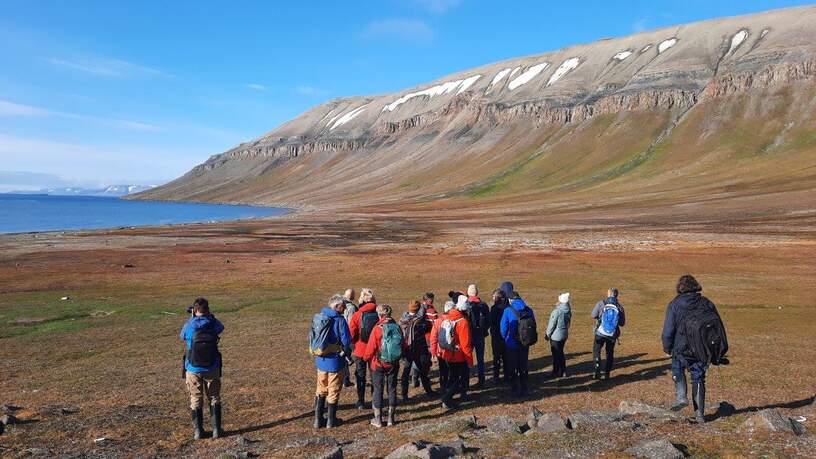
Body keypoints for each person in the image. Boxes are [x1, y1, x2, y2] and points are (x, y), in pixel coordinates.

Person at [662, 275, 722, 424]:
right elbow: (717, 326)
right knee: (699, 377)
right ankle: (700, 414)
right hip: (702, 348)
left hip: (680, 347)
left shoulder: (675, 304)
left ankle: (682, 397)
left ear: (680, 287)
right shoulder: (706, 303)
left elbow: (668, 329)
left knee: (677, 369)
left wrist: (667, 347)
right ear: (696, 286)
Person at [180, 298, 225, 440]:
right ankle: (216, 430)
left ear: (194, 310)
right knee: (214, 397)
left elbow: (182, 336)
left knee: (196, 398)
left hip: (193, 367)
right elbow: (221, 327)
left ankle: (198, 431)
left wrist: (192, 318)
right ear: (207, 310)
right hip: (212, 366)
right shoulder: (213, 323)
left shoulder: (189, 325)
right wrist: (210, 317)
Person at [311, 294, 352, 429]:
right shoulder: (340, 320)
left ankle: (318, 420)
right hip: (335, 361)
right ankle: (331, 420)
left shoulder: (320, 317)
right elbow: (346, 341)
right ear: (337, 306)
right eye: (343, 305)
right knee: (333, 389)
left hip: (321, 359)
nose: (345, 307)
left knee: (321, 388)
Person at [363, 304, 403, 427]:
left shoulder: (377, 329)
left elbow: (370, 348)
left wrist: (365, 359)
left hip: (378, 363)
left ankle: (378, 419)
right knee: (392, 388)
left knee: (378, 390)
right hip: (394, 363)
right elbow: (403, 344)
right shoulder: (397, 327)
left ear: (380, 315)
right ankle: (391, 418)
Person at [433, 296, 473, 409]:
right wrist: (470, 360)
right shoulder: (463, 322)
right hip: (459, 355)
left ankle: (447, 399)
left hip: (447, 353)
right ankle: (447, 398)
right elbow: (465, 345)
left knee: (452, 377)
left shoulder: (447, 317)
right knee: (461, 377)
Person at [501, 292, 536, 397]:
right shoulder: (529, 310)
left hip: (511, 344)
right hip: (525, 342)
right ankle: (524, 388)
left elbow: (503, 328)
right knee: (523, 366)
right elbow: (534, 325)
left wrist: (506, 339)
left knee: (512, 366)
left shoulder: (508, 310)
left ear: (510, 300)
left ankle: (514, 389)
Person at [399, 300, 435, 400]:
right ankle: (428, 391)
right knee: (423, 372)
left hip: (407, 349)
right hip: (419, 349)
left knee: (406, 372)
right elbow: (428, 328)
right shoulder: (420, 321)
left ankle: (404, 394)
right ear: (418, 309)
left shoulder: (402, 320)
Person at [349, 288, 378, 410]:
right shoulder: (379, 314)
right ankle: (374, 400)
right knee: (374, 376)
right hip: (375, 350)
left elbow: (351, 333)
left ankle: (361, 401)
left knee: (360, 376)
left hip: (360, 350)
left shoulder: (357, 315)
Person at [591, 288, 626, 380]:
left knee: (596, 350)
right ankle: (607, 373)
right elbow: (622, 323)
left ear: (609, 294)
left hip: (600, 332)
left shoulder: (601, 303)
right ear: (616, 295)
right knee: (609, 353)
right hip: (612, 334)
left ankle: (596, 369)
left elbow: (593, 315)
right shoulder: (620, 307)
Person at [466, 284, 490, 388]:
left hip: (469, 335)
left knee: (466, 358)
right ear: (477, 293)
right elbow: (488, 321)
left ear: (468, 293)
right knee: (480, 359)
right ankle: (481, 381)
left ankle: (465, 381)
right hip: (480, 334)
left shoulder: (466, 304)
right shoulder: (483, 305)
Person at [490, 282, 513, 385]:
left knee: (496, 358)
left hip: (496, 336)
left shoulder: (494, 308)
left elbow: (492, 322)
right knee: (506, 357)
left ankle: (496, 377)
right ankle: (507, 376)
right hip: (506, 336)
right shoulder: (508, 307)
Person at [429, 300, 454, 390]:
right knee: (453, 371)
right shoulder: (455, 320)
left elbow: (433, 338)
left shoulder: (438, 321)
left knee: (443, 371)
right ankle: (451, 389)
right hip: (453, 351)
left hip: (441, 352)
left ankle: (443, 388)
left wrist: (433, 353)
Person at [546, 292, 572, 378]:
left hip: (556, 336)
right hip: (564, 334)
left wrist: (547, 334)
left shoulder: (557, 311)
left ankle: (556, 371)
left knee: (556, 354)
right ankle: (563, 370)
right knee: (560, 352)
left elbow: (551, 324)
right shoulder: (568, 310)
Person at [341, 288, 357, 388]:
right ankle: (351, 379)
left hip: (340, 335)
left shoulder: (339, 304)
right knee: (354, 357)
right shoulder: (351, 308)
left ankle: (345, 380)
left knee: (344, 357)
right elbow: (351, 323)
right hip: (348, 336)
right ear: (352, 296)